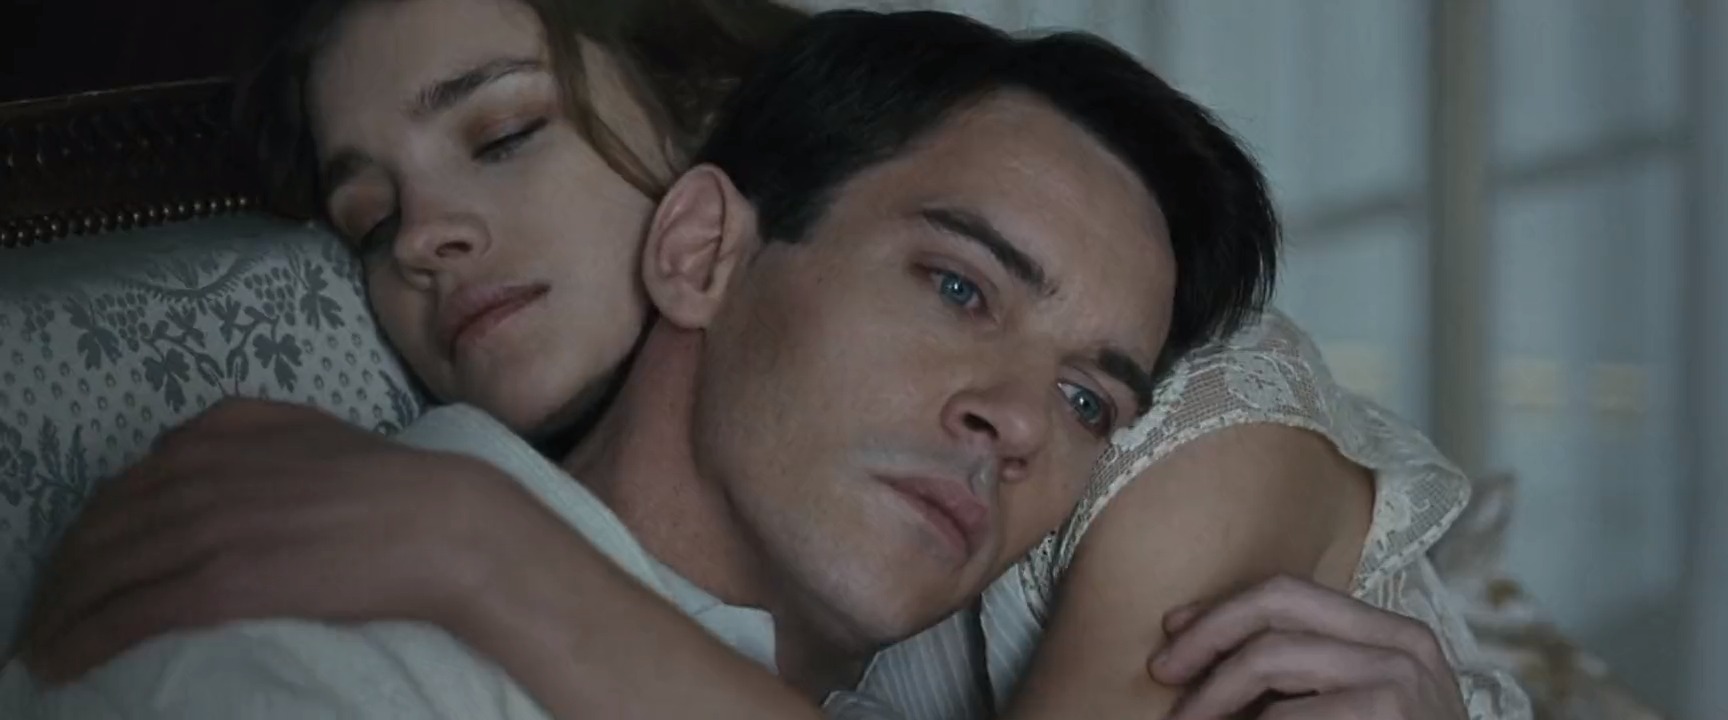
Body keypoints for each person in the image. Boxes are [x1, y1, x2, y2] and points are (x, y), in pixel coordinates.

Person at [20, 2, 1528, 719]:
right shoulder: (320, 625)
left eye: (1086, 398)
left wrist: (493, 556)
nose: (1021, 421)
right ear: (702, 249)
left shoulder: (1186, 441)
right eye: (956, 287)